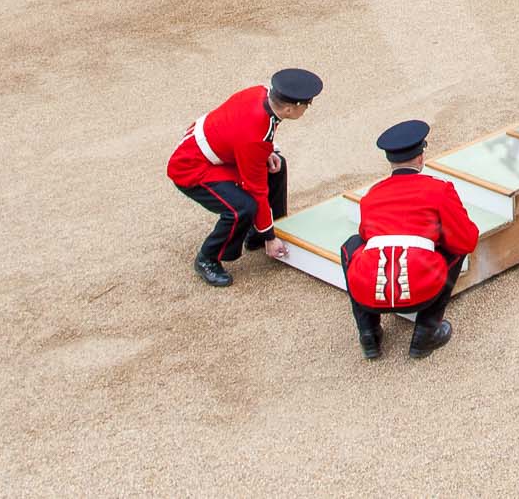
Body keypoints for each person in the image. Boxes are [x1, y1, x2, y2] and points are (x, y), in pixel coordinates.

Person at [167, 67, 322, 287]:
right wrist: (270, 238)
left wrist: (267, 151)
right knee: (241, 207)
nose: (307, 108)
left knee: (278, 165)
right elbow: (256, 188)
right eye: (306, 105)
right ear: (289, 109)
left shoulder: (262, 95)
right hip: (192, 167)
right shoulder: (255, 134)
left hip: (218, 153)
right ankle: (208, 258)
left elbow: (247, 134)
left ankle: (264, 232)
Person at [339, 120, 480, 360]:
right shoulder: (439, 189)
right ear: (420, 157)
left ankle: (368, 332)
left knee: (351, 245)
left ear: (390, 161)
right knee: (456, 247)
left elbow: (365, 235)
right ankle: (426, 332)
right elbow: (466, 240)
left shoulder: (373, 195)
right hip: (420, 288)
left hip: (369, 294)